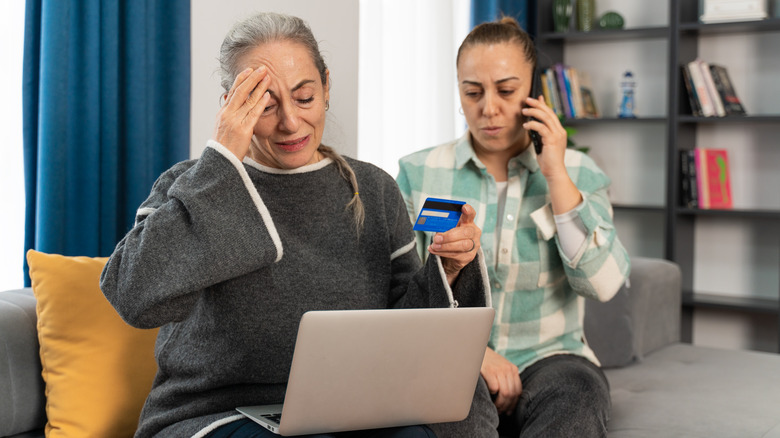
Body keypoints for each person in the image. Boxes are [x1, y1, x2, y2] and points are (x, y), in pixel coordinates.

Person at [100, 12, 499, 438]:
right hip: (217, 410)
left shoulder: (374, 190)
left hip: (356, 405)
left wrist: (450, 271)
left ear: (326, 86)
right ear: (233, 105)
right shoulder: (191, 184)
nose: (290, 122)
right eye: (266, 106)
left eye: (304, 98)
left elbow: (408, 332)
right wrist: (221, 160)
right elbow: (134, 297)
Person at [396, 17, 631, 437]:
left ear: (532, 93)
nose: (489, 108)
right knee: (453, 410)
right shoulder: (419, 172)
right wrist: (476, 355)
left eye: (506, 90)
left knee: (578, 399)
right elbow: (401, 288)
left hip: (553, 357)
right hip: (454, 357)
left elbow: (604, 284)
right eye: (472, 92)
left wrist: (556, 174)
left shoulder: (579, 171)